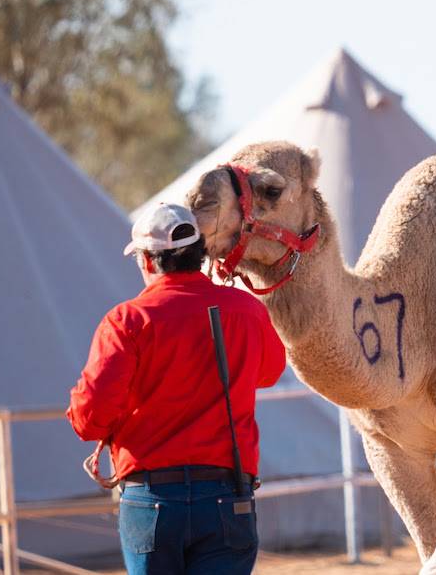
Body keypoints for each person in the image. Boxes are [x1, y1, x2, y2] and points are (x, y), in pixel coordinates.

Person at [67, 202, 286, 575]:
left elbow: (89, 419)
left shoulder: (126, 321)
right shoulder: (247, 310)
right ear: (199, 253)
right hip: (227, 494)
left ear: (149, 261)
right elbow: (268, 372)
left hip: (151, 499)